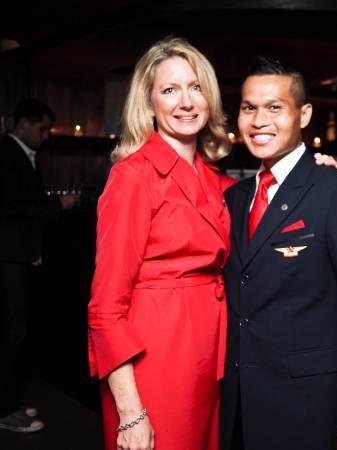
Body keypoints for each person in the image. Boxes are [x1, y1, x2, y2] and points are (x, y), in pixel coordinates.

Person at [220, 56, 337, 450]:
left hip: (310, 406)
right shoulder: (234, 198)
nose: (259, 121)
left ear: (305, 114)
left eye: (274, 107)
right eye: (248, 108)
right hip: (240, 404)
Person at [87, 37, 235, 450]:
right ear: (150, 103)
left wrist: (321, 170)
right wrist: (130, 411)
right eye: (170, 90)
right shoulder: (133, 177)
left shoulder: (216, 180)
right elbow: (105, 309)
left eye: (195, 87)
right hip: (155, 358)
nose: (186, 102)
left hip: (209, 356)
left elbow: (270, 199)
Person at [0, 99, 78, 432]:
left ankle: (7, 402)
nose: (46, 136)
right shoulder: (7, 154)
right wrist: (57, 205)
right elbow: (10, 206)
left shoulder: (18, 154)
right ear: (23, 125)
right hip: (8, 257)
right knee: (12, 331)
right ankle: (4, 411)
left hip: (17, 254)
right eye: (43, 129)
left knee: (15, 330)